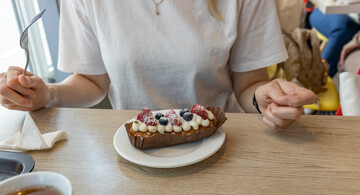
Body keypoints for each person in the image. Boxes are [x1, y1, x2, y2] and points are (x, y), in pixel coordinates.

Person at [0, 0, 316, 130]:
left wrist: (265, 102)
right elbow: (93, 83)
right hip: (134, 147)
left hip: (223, 142)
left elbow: (248, 86)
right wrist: (46, 94)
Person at [306, 0, 360, 77]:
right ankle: (320, 77)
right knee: (344, 29)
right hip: (328, 10)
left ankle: (320, 77)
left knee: (346, 29)